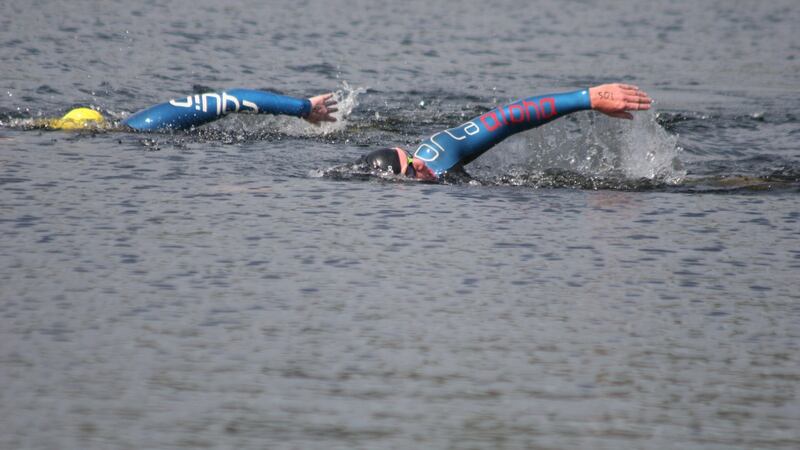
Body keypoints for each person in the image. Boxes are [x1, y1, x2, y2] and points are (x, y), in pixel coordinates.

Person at [358, 83, 652, 180]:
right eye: (410, 169)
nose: (417, 162)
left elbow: (507, 118)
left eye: (410, 157)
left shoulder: (440, 151)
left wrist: (588, 98)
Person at [46, 89, 338, 130]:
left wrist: (301, 106)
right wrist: (300, 108)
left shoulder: (142, 126)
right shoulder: (141, 124)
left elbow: (227, 100)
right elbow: (228, 99)